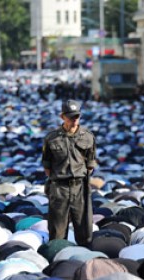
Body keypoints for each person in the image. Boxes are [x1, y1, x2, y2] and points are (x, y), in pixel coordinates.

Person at [42, 100, 97, 246]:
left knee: (84, 229)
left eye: (77, 117)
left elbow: (90, 164)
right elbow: (47, 165)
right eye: (71, 117)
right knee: (57, 232)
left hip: (80, 187)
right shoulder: (52, 138)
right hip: (59, 187)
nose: (74, 120)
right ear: (62, 117)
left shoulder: (88, 136)